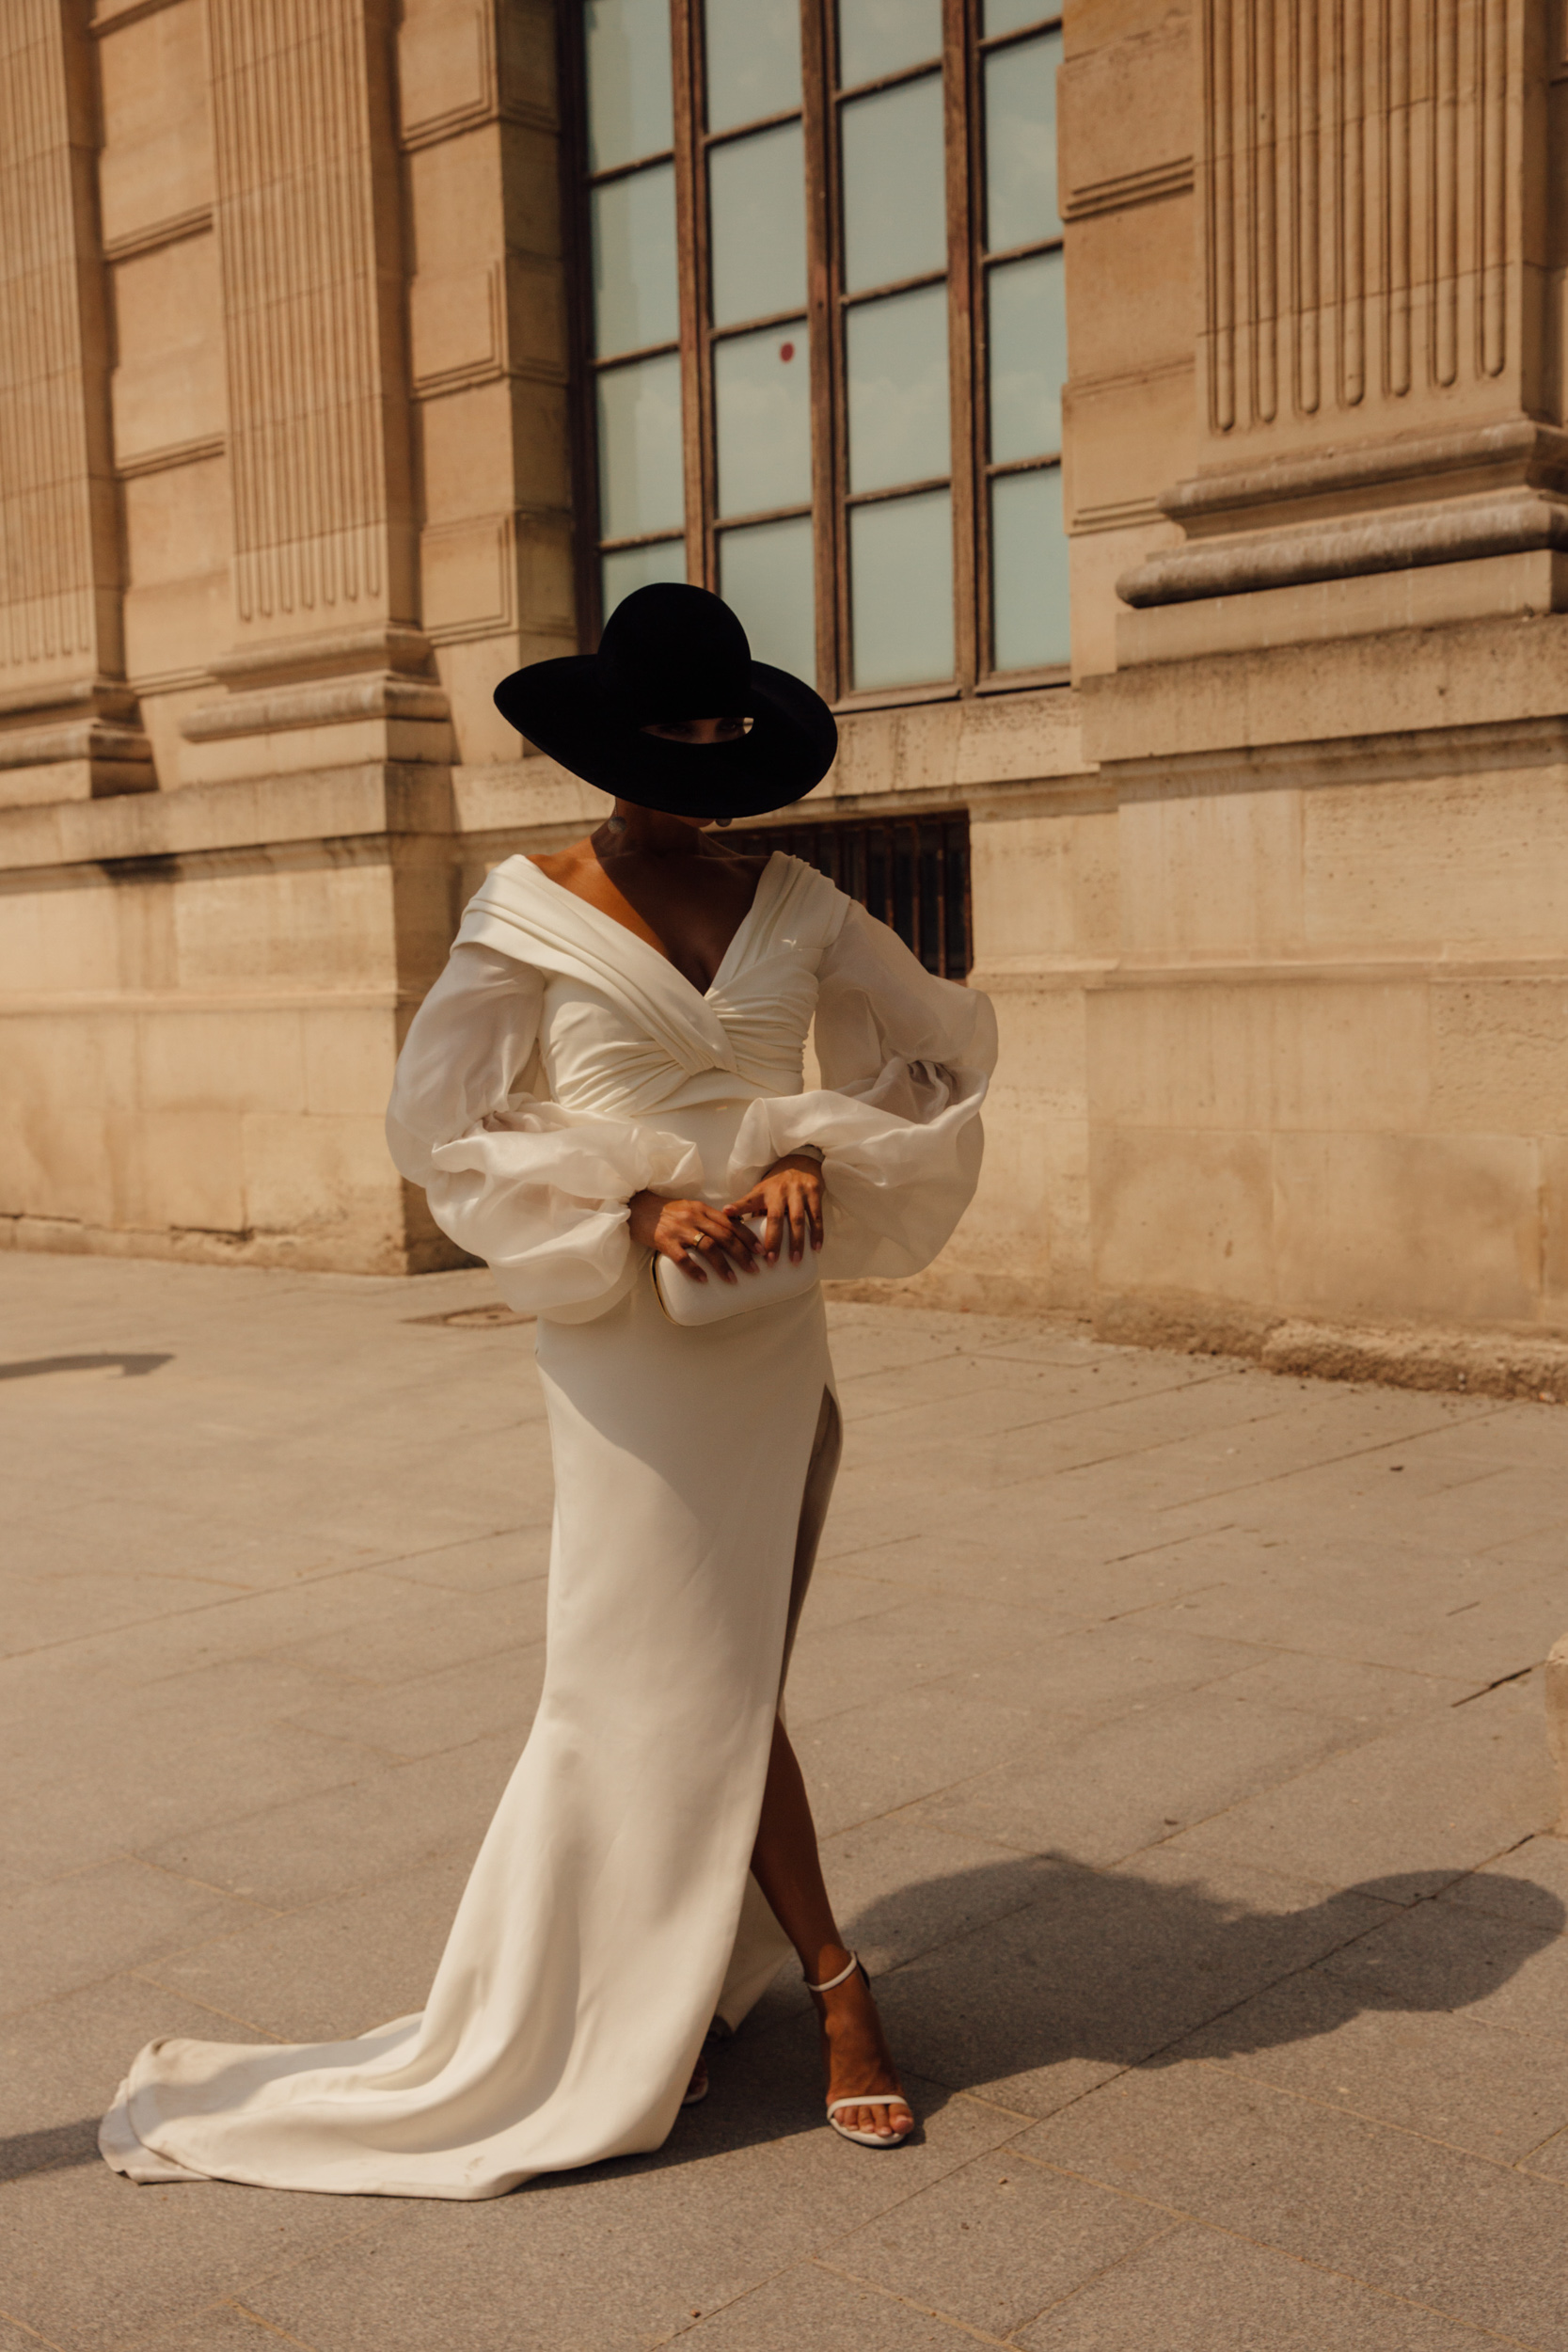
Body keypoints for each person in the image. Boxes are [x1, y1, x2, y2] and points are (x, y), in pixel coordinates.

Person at [101, 584, 996, 2200]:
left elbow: (936, 1062)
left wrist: (810, 1148)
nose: (703, 776)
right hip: (627, 1350)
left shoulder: (794, 896)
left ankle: (677, 1975)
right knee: (665, 1676)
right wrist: (633, 1206)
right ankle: (836, 1990)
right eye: (676, 746)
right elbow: (440, 1130)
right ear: (608, 745)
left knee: (733, 1669)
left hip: (773, 1338)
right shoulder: (527, 907)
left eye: (725, 746)